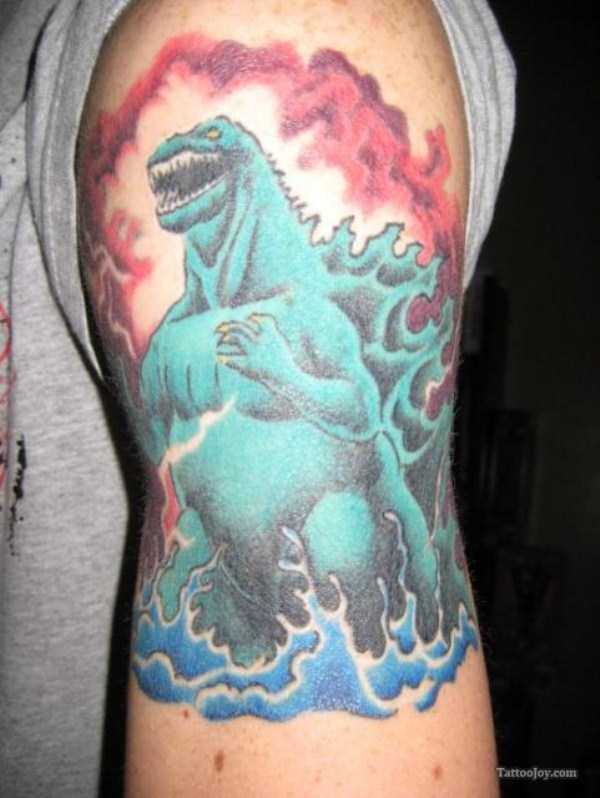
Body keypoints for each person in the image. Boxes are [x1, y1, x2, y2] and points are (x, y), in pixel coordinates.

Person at [0, 0, 515, 795]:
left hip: (333, 522)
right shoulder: (190, 316)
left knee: (353, 555)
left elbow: (357, 415)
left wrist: (282, 375)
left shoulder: (258, 19)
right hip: (237, 553)